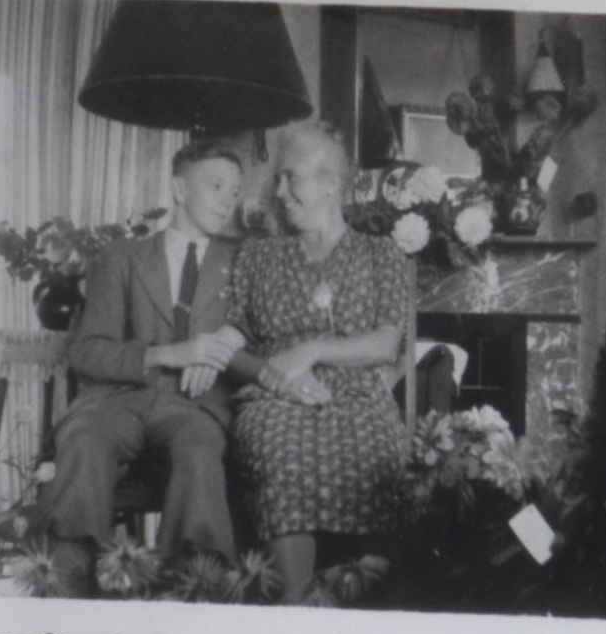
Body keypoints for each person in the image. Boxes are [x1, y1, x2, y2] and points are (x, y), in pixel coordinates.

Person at [46, 136, 249, 595]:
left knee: (199, 448)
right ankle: (69, 588)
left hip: (195, 406)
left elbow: (262, 326)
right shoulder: (122, 257)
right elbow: (87, 352)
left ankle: (193, 591)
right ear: (179, 189)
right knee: (84, 438)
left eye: (235, 191)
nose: (228, 201)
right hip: (117, 400)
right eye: (216, 186)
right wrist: (166, 354)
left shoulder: (243, 262)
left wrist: (225, 342)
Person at [230, 120, 417, 603]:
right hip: (276, 396)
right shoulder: (257, 257)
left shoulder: (381, 254)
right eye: (278, 179)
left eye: (291, 177)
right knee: (281, 454)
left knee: (380, 455)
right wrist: (277, 376)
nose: (280, 191)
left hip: (359, 396)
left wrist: (312, 350)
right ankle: (295, 616)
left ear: (330, 183)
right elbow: (234, 342)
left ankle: (372, 616)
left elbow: (386, 344)